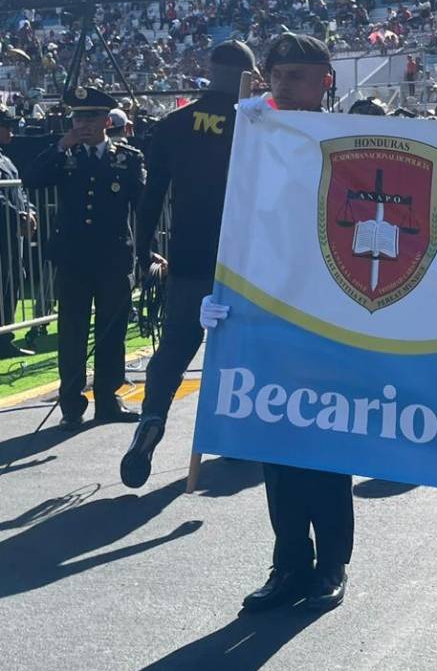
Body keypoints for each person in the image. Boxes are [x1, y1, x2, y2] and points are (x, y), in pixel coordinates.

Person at [199, 33, 355, 612]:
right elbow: (225, 217)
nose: (283, 84)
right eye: (276, 74)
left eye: (297, 74)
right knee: (278, 442)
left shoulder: (352, 139)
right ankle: (288, 561)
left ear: (325, 82)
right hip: (264, 308)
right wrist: (210, 290)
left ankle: (331, 563)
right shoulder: (252, 136)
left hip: (332, 313)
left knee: (325, 447)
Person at [121, 41, 258, 489]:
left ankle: (153, 417)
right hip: (244, 261)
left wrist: (143, 255)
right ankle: (234, 434)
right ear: (247, 76)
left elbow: (150, 200)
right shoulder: (255, 125)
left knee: (176, 346)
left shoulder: (174, 124)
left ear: (209, 71)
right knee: (238, 351)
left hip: (188, 256)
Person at [26, 86, 146, 430]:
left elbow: (143, 206)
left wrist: (147, 250)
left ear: (107, 120)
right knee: (73, 332)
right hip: (74, 259)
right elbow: (33, 179)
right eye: (78, 117)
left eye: (91, 116)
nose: (84, 123)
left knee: (112, 331)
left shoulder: (128, 157)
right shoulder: (65, 156)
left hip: (113, 257)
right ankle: (71, 403)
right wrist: (62, 145)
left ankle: (108, 398)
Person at [0, 107, 34, 359]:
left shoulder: (6, 159)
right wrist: (17, 216)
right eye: (6, 125)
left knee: (11, 283)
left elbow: (20, 192)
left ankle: (5, 337)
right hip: (5, 231)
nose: (11, 129)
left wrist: (29, 211)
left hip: (12, 237)